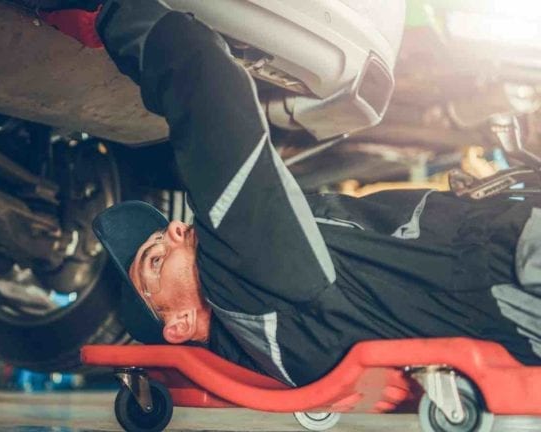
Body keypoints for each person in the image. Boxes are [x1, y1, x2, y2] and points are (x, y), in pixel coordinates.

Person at [87, 0, 541, 386]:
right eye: (156, 259)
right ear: (180, 323)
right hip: (518, 261)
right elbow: (208, 87)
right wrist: (113, 12)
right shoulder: (248, 291)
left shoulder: (270, 329)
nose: (175, 229)